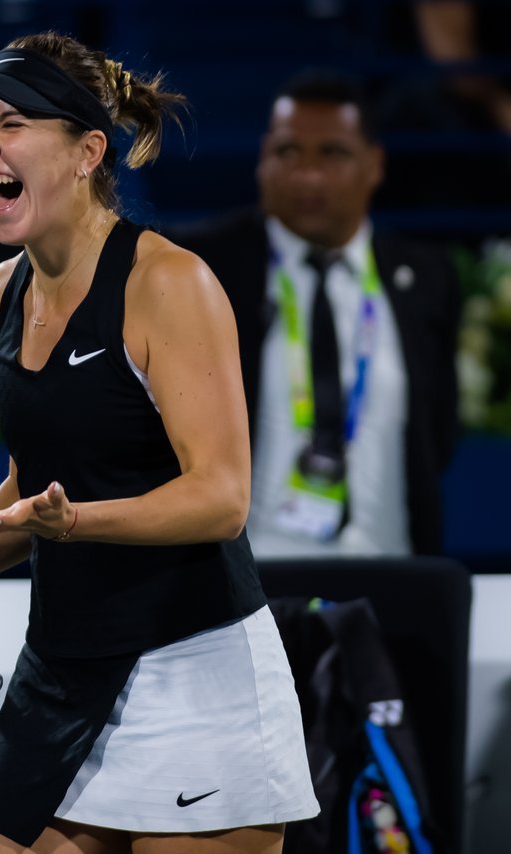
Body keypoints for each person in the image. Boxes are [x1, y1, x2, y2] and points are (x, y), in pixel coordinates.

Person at [0, 32, 318, 854]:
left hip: (193, 668)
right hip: (61, 666)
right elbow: (34, 486)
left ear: (88, 152)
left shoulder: (169, 284)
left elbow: (221, 498)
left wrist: (76, 522)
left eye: (11, 122)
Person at [168, 71, 461, 559]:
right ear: (263, 159)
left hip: (393, 573)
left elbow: (439, 433)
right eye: (287, 152)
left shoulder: (427, 277)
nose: (307, 174)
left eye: (332, 153)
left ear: (374, 164)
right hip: (249, 582)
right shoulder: (198, 266)